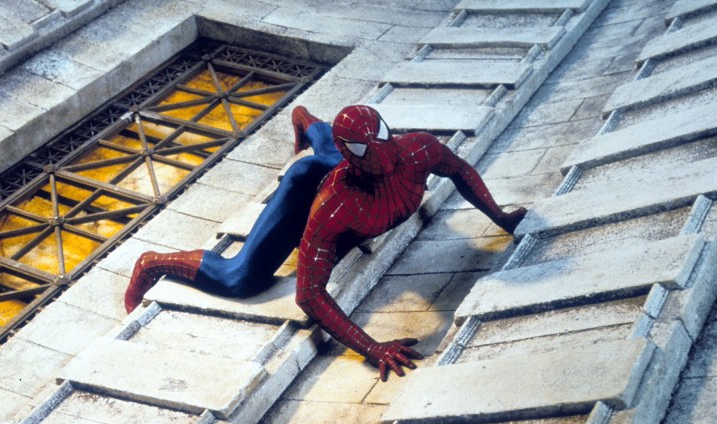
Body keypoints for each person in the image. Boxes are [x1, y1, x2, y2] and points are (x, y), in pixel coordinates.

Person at [125, 104, 526, 381]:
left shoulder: (418, 148)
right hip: (304, 189)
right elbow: (309, 294)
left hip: (339, 160)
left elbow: (459, 169)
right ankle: (152, 262)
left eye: (380, 137)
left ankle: (304, 118)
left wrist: (501, 216)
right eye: (364, 149)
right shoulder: (335, 206)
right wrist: (372, 348)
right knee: (240, 278)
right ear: (356, 156)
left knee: (331, 151)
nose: (381, 155)